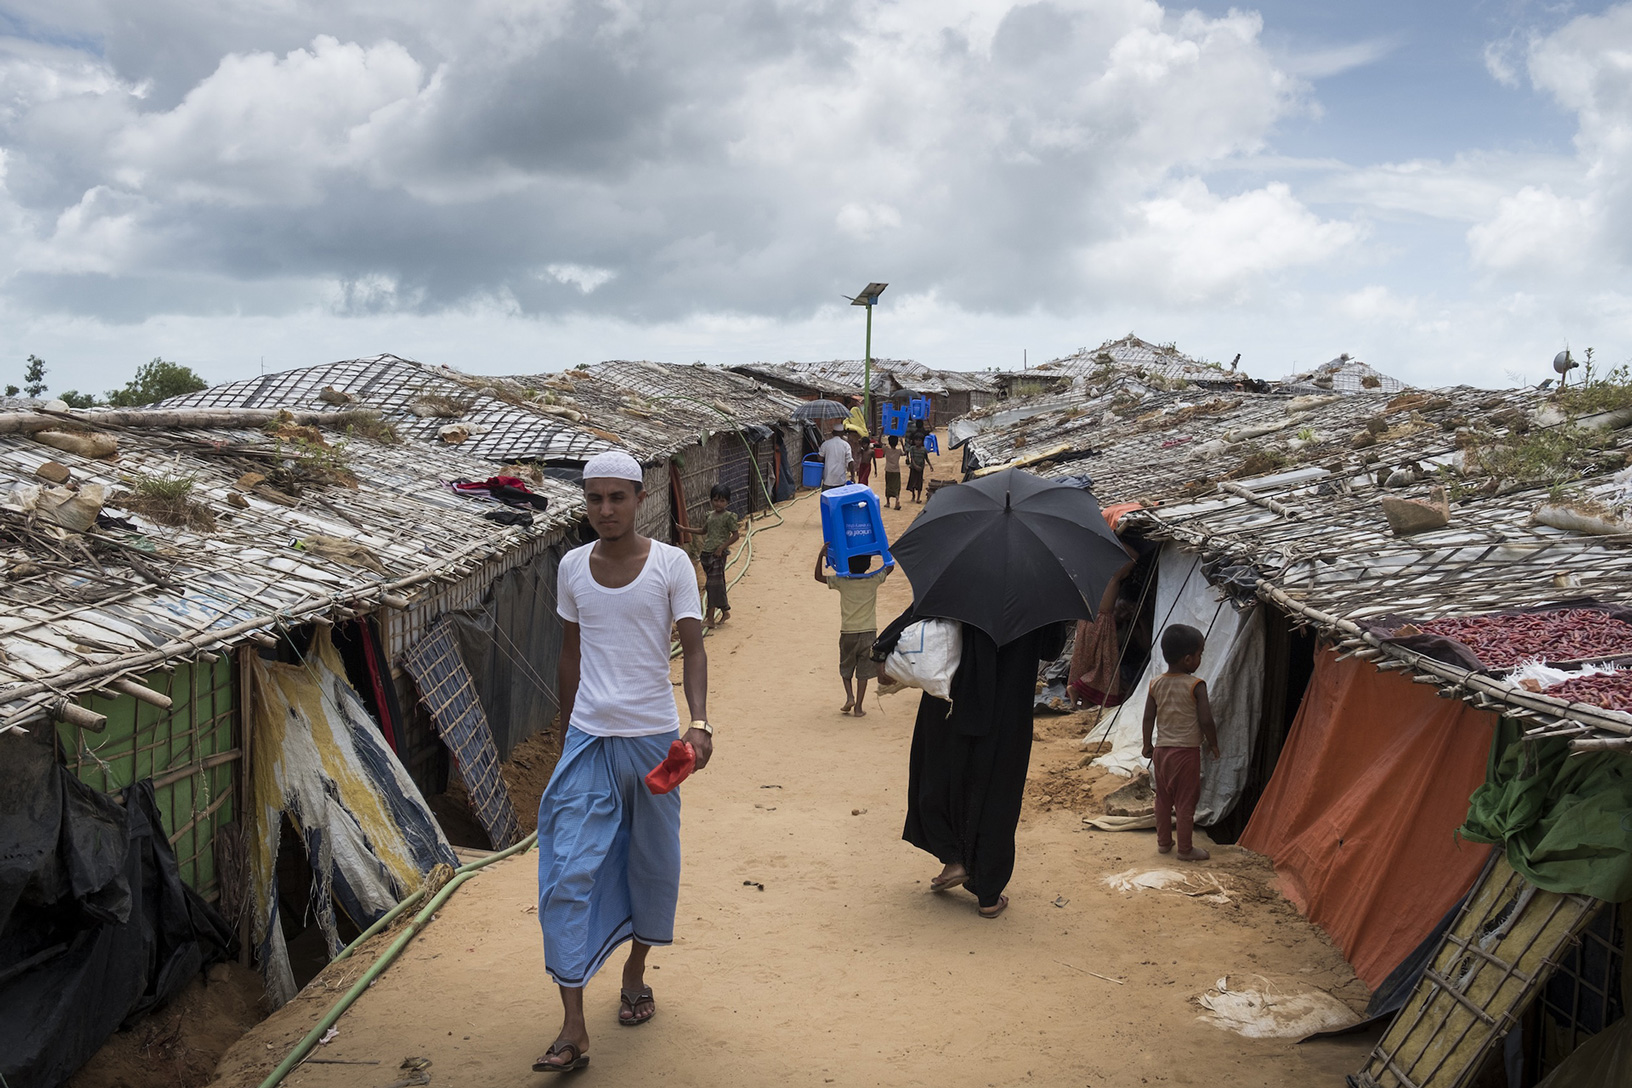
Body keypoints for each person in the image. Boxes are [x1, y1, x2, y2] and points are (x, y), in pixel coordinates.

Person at [533, 450, 715, 1074]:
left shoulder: (670, 565)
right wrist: (565, 737)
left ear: (640, 498)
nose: (604, 510)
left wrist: (700, 722)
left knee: (653, 866)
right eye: (593, 499)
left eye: (616, 497)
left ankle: (636, 970)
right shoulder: (572, 567)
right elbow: (568, 656)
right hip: (588, 739)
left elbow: (693, 650)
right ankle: (573, 1027)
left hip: (654, 744)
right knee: (567, 873)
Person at [899, 619, 1071, 918]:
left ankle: (953, 857)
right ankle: (988, 894)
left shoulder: (961, 577)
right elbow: (1051, 649)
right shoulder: (1040, 589)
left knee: (942, 773)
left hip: (954, 699)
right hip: (1009, 706)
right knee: (998, 790)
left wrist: (883, 649)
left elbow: (922, 615)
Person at [1140, 624, 1220, 862]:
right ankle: (1185, 849)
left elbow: (1147, 717)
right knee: (1186, 801)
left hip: (1162, 752)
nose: (1200, 659)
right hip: (1186, 754)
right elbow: (1206, 720)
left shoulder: (1156, 684)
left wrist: (1147, 744)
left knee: (1163, 799)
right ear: (1188, 659)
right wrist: (1213, 743)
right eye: (1199, 654)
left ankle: (1164, 843)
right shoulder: (1196, 685)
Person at [813, 543, 891, 716]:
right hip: (869, 632)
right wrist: (883, 549)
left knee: (846, 666)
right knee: (863, 672)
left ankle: (849, 696)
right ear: (868, 564)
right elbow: (890, 567)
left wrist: (821, 555)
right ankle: (859, 707)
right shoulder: (873, 580)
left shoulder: (843, 582)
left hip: (848, 632)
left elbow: (818, 577)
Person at [675, 484, 741, 628]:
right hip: (706, 554)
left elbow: (736, 535)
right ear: (711, 500)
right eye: (716, 500)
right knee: (716, 584)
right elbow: (703, 531)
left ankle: (710, 619)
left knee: (712, 585)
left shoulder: (729, 517)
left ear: (728, 502)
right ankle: (725, 611)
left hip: (718, 555)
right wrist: (685, 529)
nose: (719, 504)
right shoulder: (710, 516)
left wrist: (721, 548)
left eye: (722, 501)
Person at [820, 425, 853, 490]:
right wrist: (853, 476)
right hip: (840, 481)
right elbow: (850, 462)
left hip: (828, 480)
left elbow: (819, 458)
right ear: (843, 433)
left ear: (833, 433)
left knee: (827, 499)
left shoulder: (826, 444)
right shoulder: (846, 445)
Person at [907, 435, 932, 503]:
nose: (918, 442)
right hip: (913, 468)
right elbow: (912, 458)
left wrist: (930, 465)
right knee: (912, 482)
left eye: (919, 440)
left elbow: (926, 458)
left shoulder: (924, 450)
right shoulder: (912, 448)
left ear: (922, 441)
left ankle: (918, 497)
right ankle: (913, 495)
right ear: (914, 441)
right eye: (916, 440)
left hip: (920, 468)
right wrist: (915, 466)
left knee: (919, 483)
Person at [881, 436, 904, 510]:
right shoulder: (899, 451)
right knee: (896, 486)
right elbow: (905, 452)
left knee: (888, 485)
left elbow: (879, 442)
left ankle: (888, 502)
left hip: (888, 470)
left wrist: (882, 432)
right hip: (896, 471)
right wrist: (902, 443)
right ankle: (897, 500)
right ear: (897, 443)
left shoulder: (886, 449)